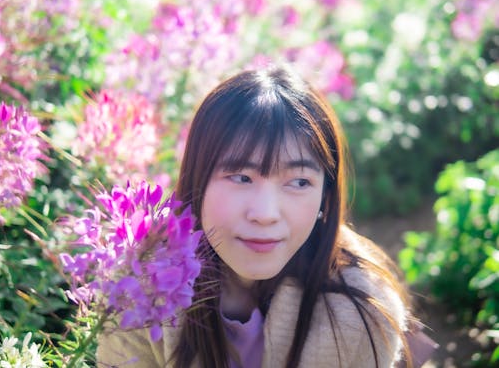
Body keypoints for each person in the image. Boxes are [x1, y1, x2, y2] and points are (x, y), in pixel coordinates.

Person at [97, 66, 436, 367]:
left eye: (299, 182)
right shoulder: (140, 283)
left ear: (325, 197)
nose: (265, 215)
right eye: (242, 177)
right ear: (196, 180)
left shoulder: (360, 314)